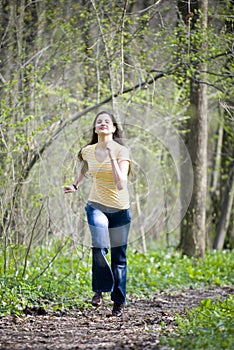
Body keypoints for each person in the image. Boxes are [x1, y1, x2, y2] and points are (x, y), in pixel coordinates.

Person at [64, 111, 131, 317]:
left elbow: (121, 183)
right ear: (96, 129)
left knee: (119, 258)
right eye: (99, 122)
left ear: (113, 128)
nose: (102, 123)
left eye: (107, 122)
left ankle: (118, 302)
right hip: (96, 206)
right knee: (99, 246)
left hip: (120, 209)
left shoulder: (122, 151)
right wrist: (76, 184)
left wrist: (111, 156)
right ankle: (100, 290)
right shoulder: (88, 151)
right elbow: (86, 166)